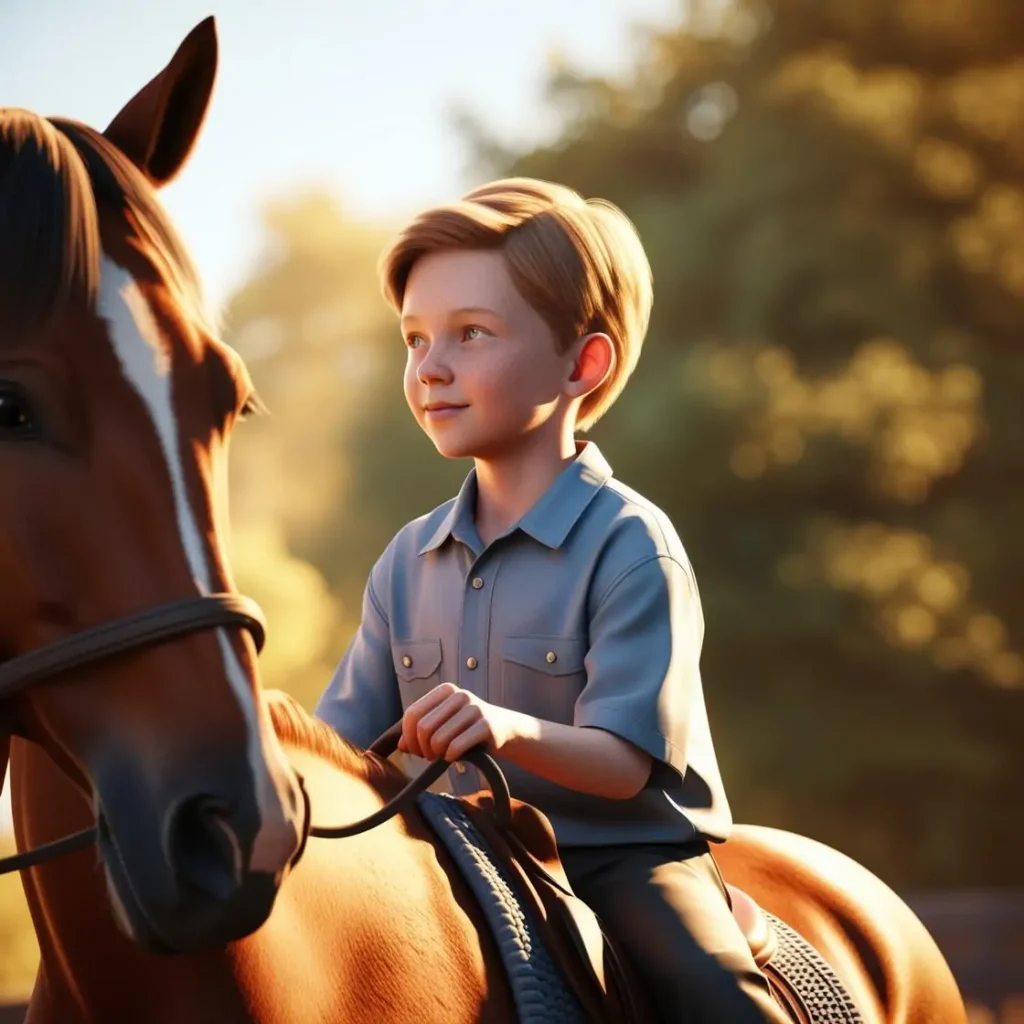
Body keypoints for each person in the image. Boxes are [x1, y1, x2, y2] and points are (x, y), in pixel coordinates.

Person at [315, 177, 785, 1022]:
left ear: (583, 363)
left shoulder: (634, 546)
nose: (431, 369)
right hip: (453, 854)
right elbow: (343, 749)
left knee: (718, 1000)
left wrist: (507, 726)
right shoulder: (403, 561)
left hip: (622, 858)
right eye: (414, 340)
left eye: (471, 334)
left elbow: (627, 763)